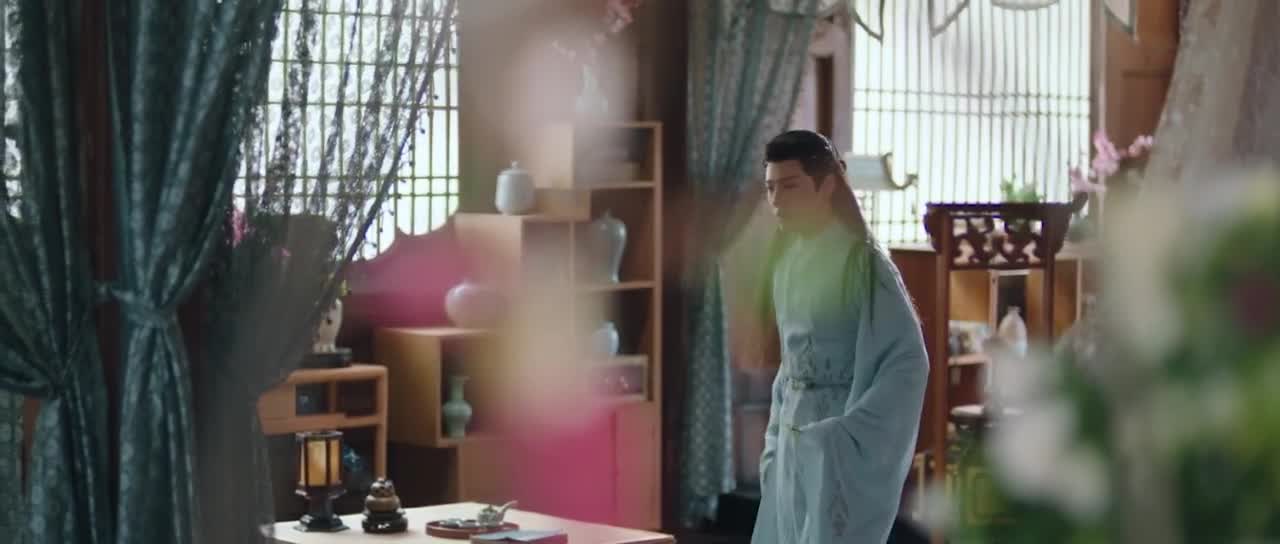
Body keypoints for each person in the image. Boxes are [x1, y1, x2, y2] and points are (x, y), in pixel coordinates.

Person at [751, 130, 929, 543]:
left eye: (790, 186)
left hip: (835, 437)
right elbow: (790, 367)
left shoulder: (863, 264)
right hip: (792, 431)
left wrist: (846, 433)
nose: (777, 200)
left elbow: (907, 361)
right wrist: (775, 437)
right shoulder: (786, 261)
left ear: (827, 185)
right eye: (770, 188)